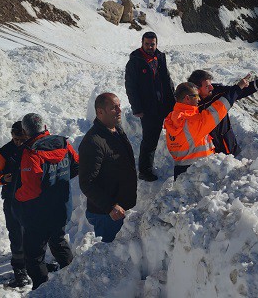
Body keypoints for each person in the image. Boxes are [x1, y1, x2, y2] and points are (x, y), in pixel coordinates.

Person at [15, 113, 79, 290]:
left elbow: (32, 189)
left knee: (34, 255)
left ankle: (41, 290)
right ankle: (75, 279)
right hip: (62, 208)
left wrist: (17, 196)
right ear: (45, 126)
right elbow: (77, 166)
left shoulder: (31, 152)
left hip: (39, 215)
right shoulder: (64, 144)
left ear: (25, 131)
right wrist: (59, 179)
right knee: (58, 242)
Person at [79, 93, 137, 242]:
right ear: (100, 112)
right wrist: (110, 207)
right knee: (109, 255)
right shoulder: (93, 142)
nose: (119, 111)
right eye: (113, 108)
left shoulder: (116, 130)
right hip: (107, 215)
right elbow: (86, 183)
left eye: (119, 106)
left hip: (121, 208)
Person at [164, 77, 249, 180]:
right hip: (196, 171)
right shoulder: (192, 122)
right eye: (196, 96)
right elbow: (218, 109)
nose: (199, 99)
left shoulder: (172, 117)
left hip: (180, 169)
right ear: (187, 98)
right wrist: (238, 88)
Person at [188, 70, 258, 157]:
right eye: (207, 86)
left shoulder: (217, 92)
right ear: (196, 89)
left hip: (228, 142)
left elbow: (240, 91)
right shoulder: (190, 107)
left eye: (210, 84)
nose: (211, 87)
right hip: (207, 150)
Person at [125, 31, 175, 182]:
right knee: (150, 140)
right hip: (148, 108)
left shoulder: (160, 57)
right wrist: (137, 108)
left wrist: (173, 103)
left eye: (152, 44)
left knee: (175, 133)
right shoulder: (135, 61)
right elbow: (131, 86)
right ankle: (145, 171)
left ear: (156, 44)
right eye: (147, 44)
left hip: (164, 105)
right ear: (142, 43)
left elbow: (167, 79)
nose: (150, 47)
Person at [0, 121, 30, 288]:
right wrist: (3, 178)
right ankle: (20, 270)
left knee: (34, 233)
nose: (18, 142)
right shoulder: (4, 152)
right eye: (15, 139)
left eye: (21, 139)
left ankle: (35, 263)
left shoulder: (34, 148)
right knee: (16, 235)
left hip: (33, 199)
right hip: (13, 200)